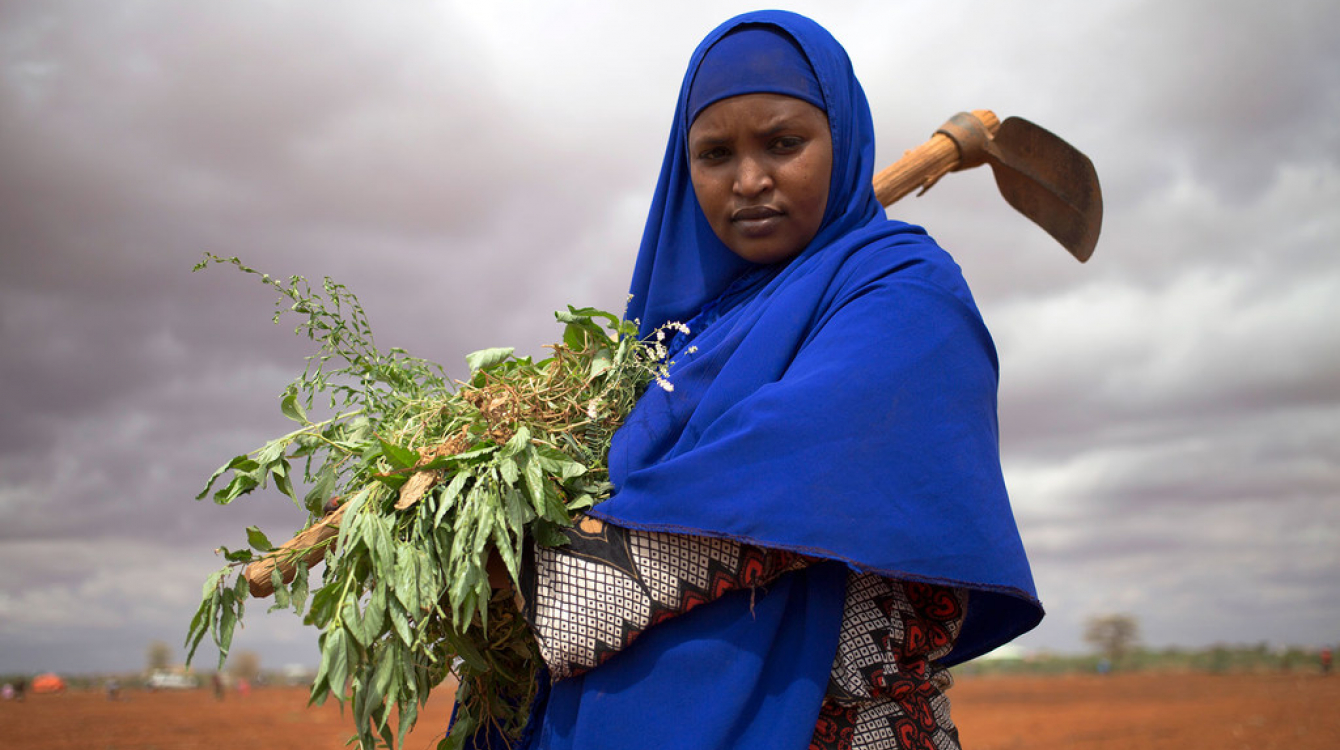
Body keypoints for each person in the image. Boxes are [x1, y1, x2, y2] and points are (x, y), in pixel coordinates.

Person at [463, 10, 1042, 749]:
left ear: (842, 139)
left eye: (783, 143)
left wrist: (556, 570)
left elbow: (806, 455)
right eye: (713, 154)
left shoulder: (905, 291)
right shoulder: (684, 337)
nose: (749, 180)